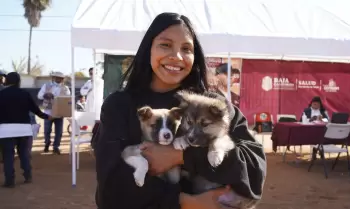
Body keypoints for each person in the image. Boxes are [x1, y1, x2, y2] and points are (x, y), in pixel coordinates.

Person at [94, 13, 266, 209]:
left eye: (186, 48)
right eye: (165, 45)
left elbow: (254, 169)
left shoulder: (212, 105)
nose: (176, 57)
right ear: (148, 49)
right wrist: (187, 203)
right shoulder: (119, 105)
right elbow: (111, 187)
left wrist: (182, 156)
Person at [0, 72, 51, 188]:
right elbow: (36, 110)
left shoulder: (1, 94)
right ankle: (27, 176)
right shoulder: (25, 94)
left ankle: (9, 181)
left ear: (6, 81)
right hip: (24, 129)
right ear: (19, 81)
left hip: (5, 130)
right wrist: (47, 116)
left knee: (8, 156)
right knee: (24, 154)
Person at [37, 71, 71, 154]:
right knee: (47, 130)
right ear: (54, 78)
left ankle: (56, 146)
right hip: (48, 111)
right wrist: (46, 95)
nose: (59, 79)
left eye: (60, 78)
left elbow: (68, 99)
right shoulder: (46, 85)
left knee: (59, 131)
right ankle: (47, 143)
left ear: (62, 79)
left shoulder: (65, 88)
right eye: (57, 77)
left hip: (60, 112)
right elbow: (39, 95)